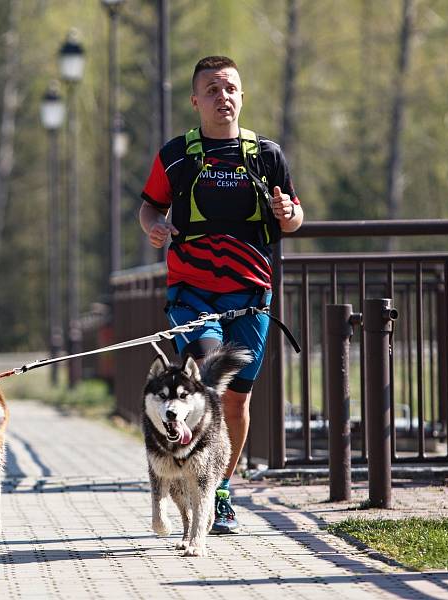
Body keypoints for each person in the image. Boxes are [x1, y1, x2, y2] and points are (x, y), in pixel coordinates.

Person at [139, 55, 303, 534]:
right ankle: (194, 481)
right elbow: (149, 208)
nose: (222, 96)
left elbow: (294, 219)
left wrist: (286, 210)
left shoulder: (266, 155)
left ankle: (219, 488)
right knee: (207, 383)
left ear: (242, 97)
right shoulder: (177, 155)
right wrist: (155, 229)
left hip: (252, 295)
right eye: (211, 89)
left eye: (229, 87)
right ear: (195, 101)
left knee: (236, 401)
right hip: (193, 295)